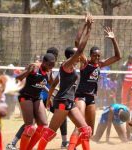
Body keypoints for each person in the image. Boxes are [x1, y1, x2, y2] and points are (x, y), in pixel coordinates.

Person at [35, 13, 93, 150]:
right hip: (62, 102)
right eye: (77, 55)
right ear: (71, 56)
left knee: (86, 131)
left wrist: (85, 24)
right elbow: (79, 49)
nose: (80, 56)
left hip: (69, 102)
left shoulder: (70, 67)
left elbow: (54, 83)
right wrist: (89, 28)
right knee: (50, 133)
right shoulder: (66, 65)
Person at [68, 26, 121, 150]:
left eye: (98, 56)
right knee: (79, 126)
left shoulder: (100, 64)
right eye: (94, 56)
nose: (96, 58)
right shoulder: (85, 62)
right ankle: (71, 147)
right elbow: (77, 43)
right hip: (80, 96)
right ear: (90, 55)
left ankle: (73, 146)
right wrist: (87, 27)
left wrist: (113, 39)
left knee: (89, 131)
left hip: (91, 98)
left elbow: (118, 57)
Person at [15, 53, 56, 150]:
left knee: (44, 127)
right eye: (50, 64)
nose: (51, 67)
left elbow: (48, 84)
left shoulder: (49, 72)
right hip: (25, 96)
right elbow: (18, 78)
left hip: (37, 97)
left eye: (53, 65)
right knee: (30, 128)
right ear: (44, 62)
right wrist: (27, 72)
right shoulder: (34, 68)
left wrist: (51, 95)